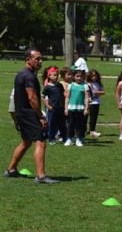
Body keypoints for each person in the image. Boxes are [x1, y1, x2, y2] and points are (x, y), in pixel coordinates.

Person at [4, 49, 59, 184]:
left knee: (26, 141)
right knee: (40, 141)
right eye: (37, 59)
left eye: (41, 59)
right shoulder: (29, 76)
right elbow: (32, 98)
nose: (40, 61)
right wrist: (40, 115)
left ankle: (11, 170)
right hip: (28, 114)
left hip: (21, 113)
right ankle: (41, 176)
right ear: (28, 59)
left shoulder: (22, 74)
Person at [64, 68, 90, 146]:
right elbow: (68, 97)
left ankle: (78, 139)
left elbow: (86, 98)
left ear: (83, 77)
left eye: (80, 76)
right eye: (77, 76)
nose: (79, 78)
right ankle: (69, 138)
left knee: (79, 124)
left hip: (80, 108)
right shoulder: (70, 85)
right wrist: (66, 108)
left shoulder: (85, 86)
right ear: (74, 77)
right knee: (70, 124)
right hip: (71, 108)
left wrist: (86, 108)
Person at [42, 66, 66, 144]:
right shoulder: (48, 87)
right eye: (54, 75)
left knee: (62, 123)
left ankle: (64, 137)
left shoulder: (59, 85)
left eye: (57, 75)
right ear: (49, 76)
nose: (56, 77)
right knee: (52, 123)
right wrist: (48, 106)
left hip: (61, 107)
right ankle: (51, 138)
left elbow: (63, 95)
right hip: (53, 108)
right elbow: (42, 96)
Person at [86, 69, 105, 138]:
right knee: (86, 117)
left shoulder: (98, 83)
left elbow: (103, 92)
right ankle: (86, 130)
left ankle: (92, 130)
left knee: (94, 117)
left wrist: (97, 92)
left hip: (96, 102)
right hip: (89, 102)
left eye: (95, 76)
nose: (94, 77)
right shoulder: (87, 84)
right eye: (92, 76)